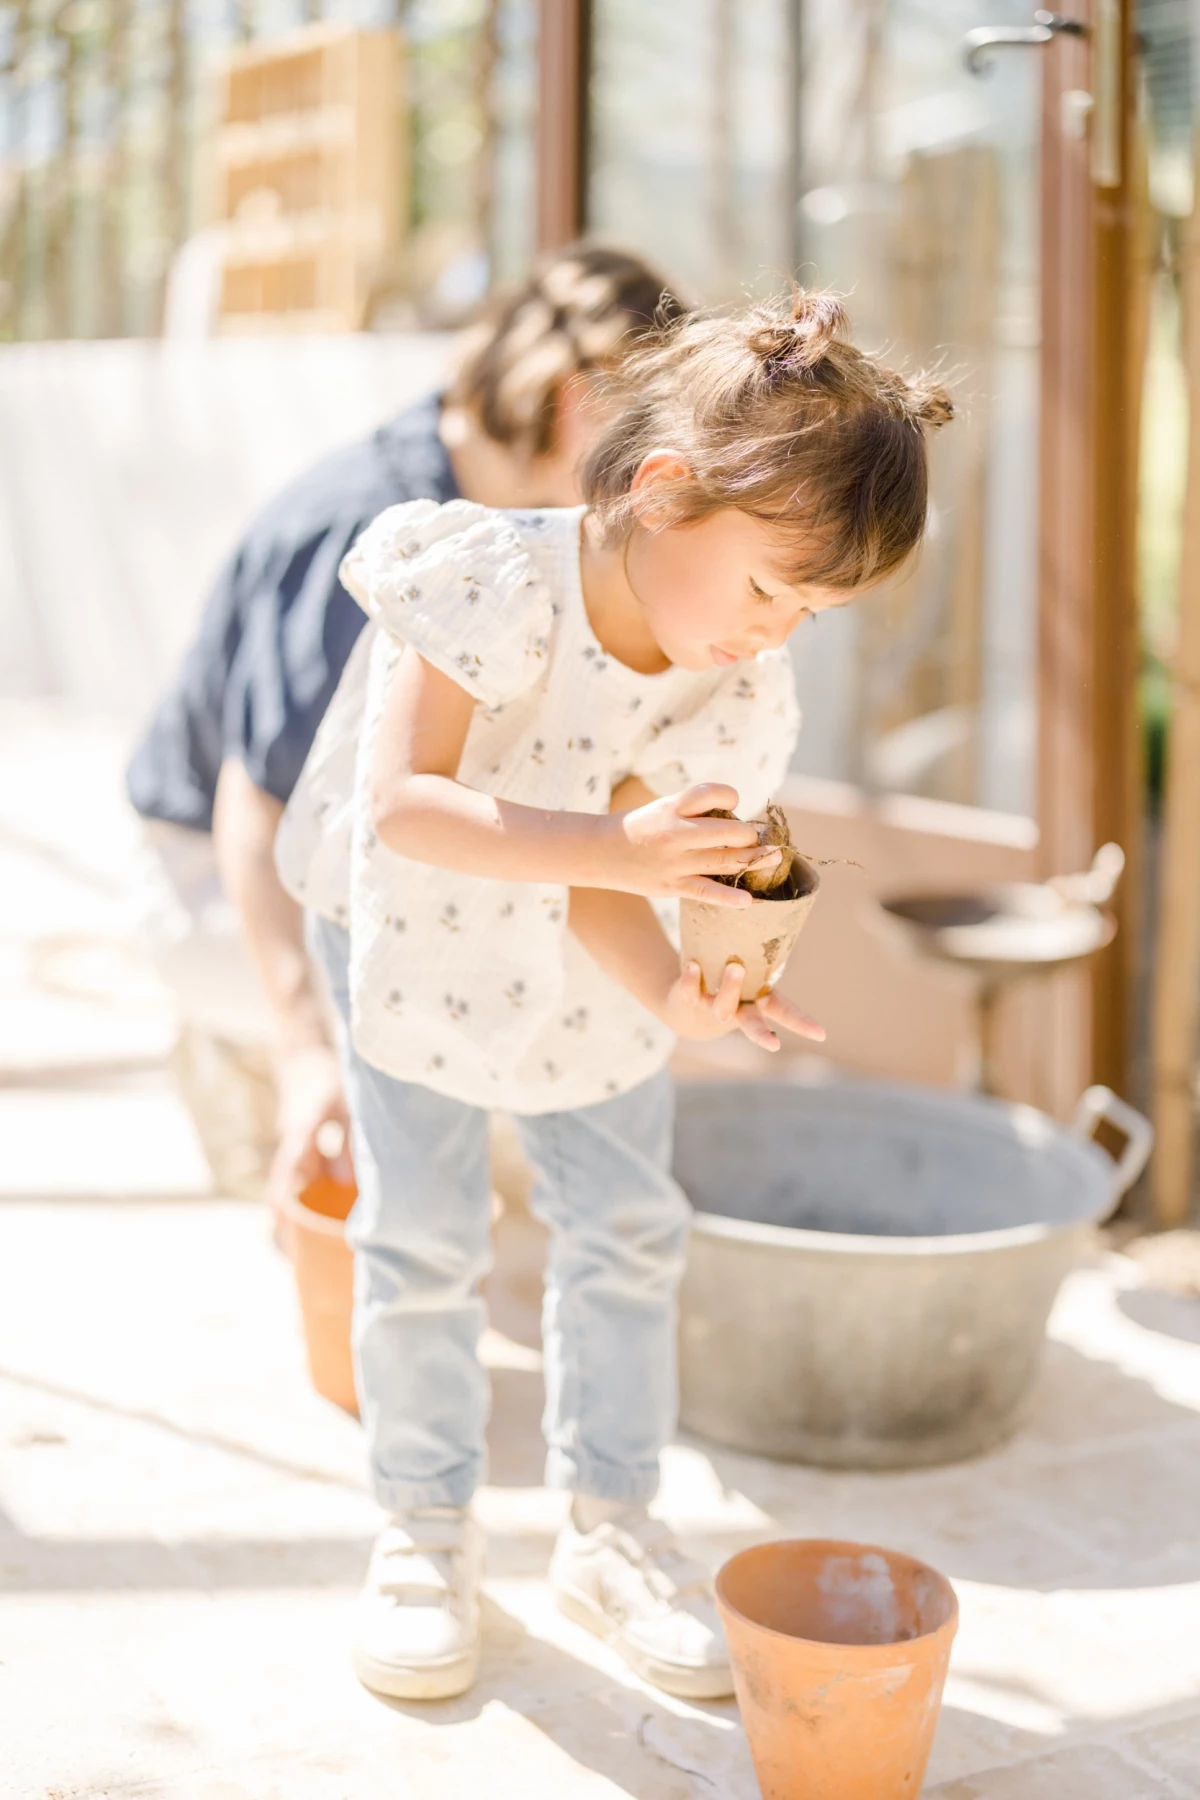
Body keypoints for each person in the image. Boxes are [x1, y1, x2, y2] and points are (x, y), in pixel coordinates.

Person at [275, 289, 953, 1702]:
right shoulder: (487, 579)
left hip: (573, 945)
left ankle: (611, 1524)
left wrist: (687, 989)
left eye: (813, 615)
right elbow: (405, 810)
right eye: (771, 589)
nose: (775, 639)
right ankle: (420, 1525)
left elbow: (603, 888)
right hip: (412, 925)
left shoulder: (728, 687)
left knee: (629, 1225)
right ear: (660, 492)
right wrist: (623, 848)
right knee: (424, 1237)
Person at [125, 244, 687, 1202]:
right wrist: (309, 1048)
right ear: (576, 403)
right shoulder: (374, 532)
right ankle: (262, 1055)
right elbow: (252, 806)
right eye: (646, 436)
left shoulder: (495, 511)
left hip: (337, 837)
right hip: (215, 876)